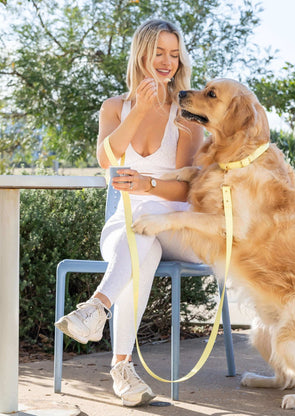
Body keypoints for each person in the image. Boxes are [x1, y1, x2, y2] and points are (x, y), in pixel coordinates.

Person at [55, 18, 203, 407]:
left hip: (178, 227)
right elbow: (106, 159)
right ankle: (122, 370)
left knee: (149, 218)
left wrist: (147, 186)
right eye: (159, 52)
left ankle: (95, 307)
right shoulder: (114, 107)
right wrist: (138, 110)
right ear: (141, 53)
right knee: (141, 245)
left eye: (174, 54)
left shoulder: (187, 115)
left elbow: (189, 187)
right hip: (126, 229)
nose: (168, 61)